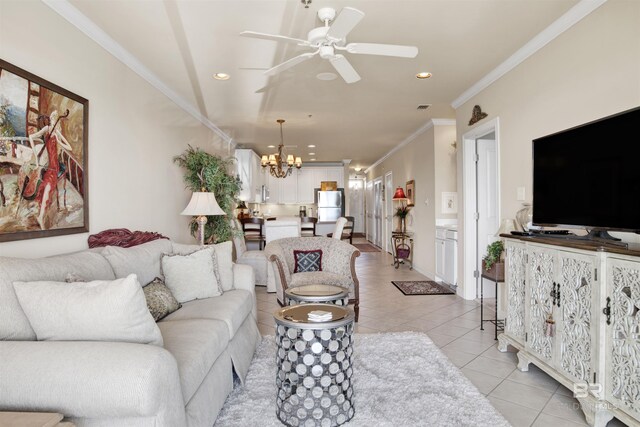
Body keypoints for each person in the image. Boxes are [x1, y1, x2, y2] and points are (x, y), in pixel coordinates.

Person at [26, 110, 72, 229]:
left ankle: (41, 215)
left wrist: (58, 142)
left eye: (55, 118)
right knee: (46, 185)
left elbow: (69, 147)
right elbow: (31, 137)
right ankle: (41, 215)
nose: (53, 120)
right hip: (48, 164)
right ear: (50, 119)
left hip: (55, 166)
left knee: (48, 186)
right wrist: (36, 158)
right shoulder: (47, 128)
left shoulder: (57, 133)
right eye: (52, 118)